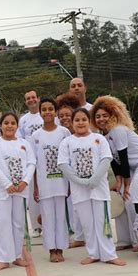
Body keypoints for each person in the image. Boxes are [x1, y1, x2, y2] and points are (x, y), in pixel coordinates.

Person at [58, 108, 126, 266]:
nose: (80, 123)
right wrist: (80, 181)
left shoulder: (98, 139)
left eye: (83, 119)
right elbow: (63, 164)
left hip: (99, 189)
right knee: (87, 224)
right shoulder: (67, 142)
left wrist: (94, 179)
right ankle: (93, 253)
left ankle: (109, 254)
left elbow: (106, 159)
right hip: (79, 190)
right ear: (72, 123)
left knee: (103, 222)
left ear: (89, 121)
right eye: (77, 120)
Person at [91, 95, 138, 251]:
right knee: (121, 198)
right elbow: (114, 162)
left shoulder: (118, 130)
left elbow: (123, 156)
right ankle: (124, 240)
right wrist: (119, 182)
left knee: (130, 199)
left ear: (112, 116)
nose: (101, 119)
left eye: (104, 115)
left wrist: (127, 184)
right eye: (97, 116)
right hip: (129, 168)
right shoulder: (104, 136)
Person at [0, 113, 36, 272]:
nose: (9, 126)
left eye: (12, 123)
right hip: (3, 191)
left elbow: (31, 163)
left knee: (18, 223)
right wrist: (7, 184)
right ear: (0, 125)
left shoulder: (24, 143)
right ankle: (3, 259)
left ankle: (17, 256)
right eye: (6, 123)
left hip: (21, 190)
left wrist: (24, 182)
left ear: (17, 126)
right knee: (3, 223)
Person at [30, 99, 71, 262]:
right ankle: (51, 250)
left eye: (50, 109)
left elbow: (68, 160)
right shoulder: (35, 136)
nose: (47, 112)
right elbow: (33, 163)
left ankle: (60, 249)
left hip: (61, 182)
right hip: (44, 183)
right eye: (44, 109)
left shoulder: (64, 133)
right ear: (40, 112)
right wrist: (35, 187)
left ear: (55, 112)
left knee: (60, 216)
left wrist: (70, 183)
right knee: (47, 217)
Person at [56, 94, 85, 248]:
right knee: (72, 204)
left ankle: (83, 235)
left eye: (68, 115)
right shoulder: (61, 133)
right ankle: (77, 234)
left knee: (80, 204)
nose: (64, 118)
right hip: (66, 174)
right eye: (61, 116)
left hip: (83, 174)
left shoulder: (82, 130)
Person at [17, 89, 43, 238]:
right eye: (28, 99)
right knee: (34, 194)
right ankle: (36, 226)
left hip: (47, 158)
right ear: (25, 102)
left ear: (38, 98)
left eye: (33, 97)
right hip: (31, 160)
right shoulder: (23, 119)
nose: (31, 100)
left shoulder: (45, 113)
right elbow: (20, 139)